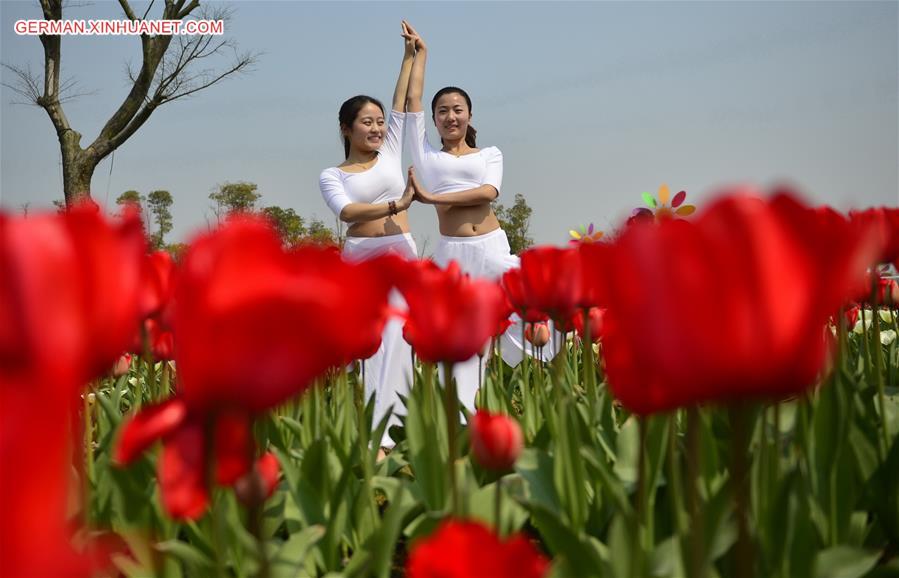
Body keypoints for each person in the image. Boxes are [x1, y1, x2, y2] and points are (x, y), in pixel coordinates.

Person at [402, 21, 558, 413]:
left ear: (469, 115)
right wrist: (420, 54)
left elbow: (490, 192)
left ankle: (529, 403)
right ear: (435, 119)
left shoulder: (489, 154)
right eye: (443, 111)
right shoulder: (427, 156)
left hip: (491, 248)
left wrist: (432, 197)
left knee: (540, 308)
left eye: (457, 110)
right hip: (452, 255)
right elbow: (412, 104)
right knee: (459, 344)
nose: (449, 116)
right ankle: (464, 421)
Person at [318, 23, 419, 452]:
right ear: (346, 129)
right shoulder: (332, 174)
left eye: (379, 122)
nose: (377, 129)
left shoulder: (392, 150)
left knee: (403, 340)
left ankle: (406, 431)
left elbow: (400, 102)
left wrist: (410, 56)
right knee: (372, 345)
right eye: (366, 122)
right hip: (361, 256)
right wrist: (397, 204)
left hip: (401, 253)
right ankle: (376, 438)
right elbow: (347, 212)